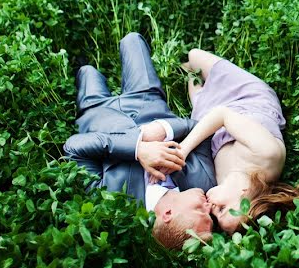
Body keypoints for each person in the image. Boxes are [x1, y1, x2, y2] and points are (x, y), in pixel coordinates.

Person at [63, 32, 217, 249]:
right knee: (132, 39)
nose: (209, 206)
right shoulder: (205, 183)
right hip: (145, 99)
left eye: (202, 211)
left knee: (87, 72)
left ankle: (79, 62)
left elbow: (74, 148)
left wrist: (137, 147)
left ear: (167, 214)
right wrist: (162, 129)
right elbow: (201, 130)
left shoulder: (113, 201)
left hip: (98, 112)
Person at [176, 49, 299, 234]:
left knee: (195, 91)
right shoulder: (267, 155)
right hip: (245, 97)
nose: (212, 210)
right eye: (222, 209)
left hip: (212, 117)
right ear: (245, 195)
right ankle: (192, 66)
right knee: (193, 55)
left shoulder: (222, 182)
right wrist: (183, 148)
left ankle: (188, 72)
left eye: (216, 218)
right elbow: (222, 114)